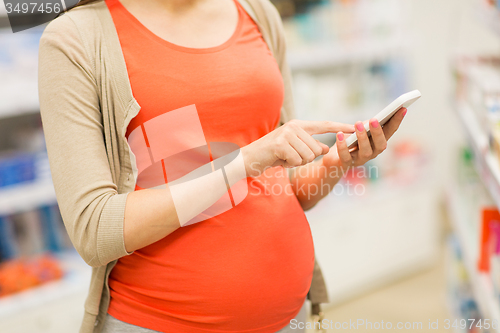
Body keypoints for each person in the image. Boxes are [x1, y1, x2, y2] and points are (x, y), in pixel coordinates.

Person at [38, 0, 406, 332]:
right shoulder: (77, 38)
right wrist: (243, 162)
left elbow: (287, 187)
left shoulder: (257, 13)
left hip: (287, 318)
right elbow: (94, 229)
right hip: (161, 319)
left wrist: (336, 162)